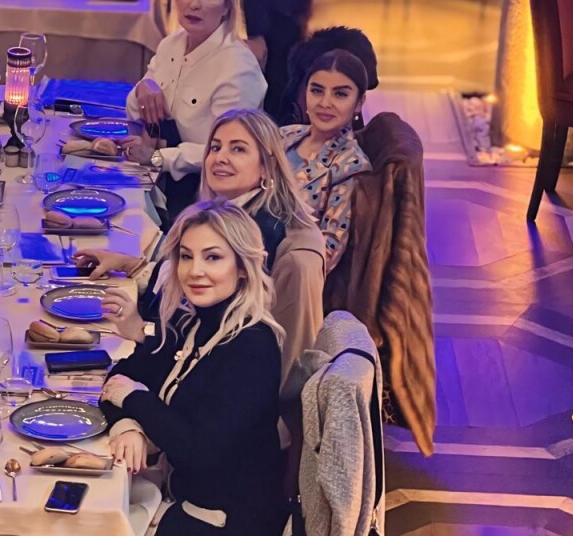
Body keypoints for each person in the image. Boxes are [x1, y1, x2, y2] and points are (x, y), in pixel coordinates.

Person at [99, 199, 286, 536]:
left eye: (212, 257)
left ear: (243, 267)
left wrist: (135, 400)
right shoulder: (194, 323)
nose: (195, 271)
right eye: (186, 256)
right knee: (89, 500)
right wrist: (127, 426)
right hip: (182, 491)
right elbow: (120, 375)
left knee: (90, 535)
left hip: (224, 523)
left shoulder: (253, 346)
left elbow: (199, 449)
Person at [81, 109, 325, 387]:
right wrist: (133, 267)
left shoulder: (272, 241)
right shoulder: (231, 213)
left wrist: (142, 330)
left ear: (267, 165)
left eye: (238, 149)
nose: (220, 157)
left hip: (211, 387)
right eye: (216, 147)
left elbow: (218, 338)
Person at [123, 0, 267, 224]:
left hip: (209, 200)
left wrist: (157, 157)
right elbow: (135, 113)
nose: (194, 4)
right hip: (157, 182)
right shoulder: (170, 45)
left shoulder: (238, 67)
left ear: (227, 7)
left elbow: (227, 154)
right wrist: (144, 88)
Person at [281, 49, 373, 273]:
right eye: (317, 90)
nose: (325, 102)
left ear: (359, 102)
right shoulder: (284, 136)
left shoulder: (351, 165)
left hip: (284, 272)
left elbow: (327, 252)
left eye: (340, 94)